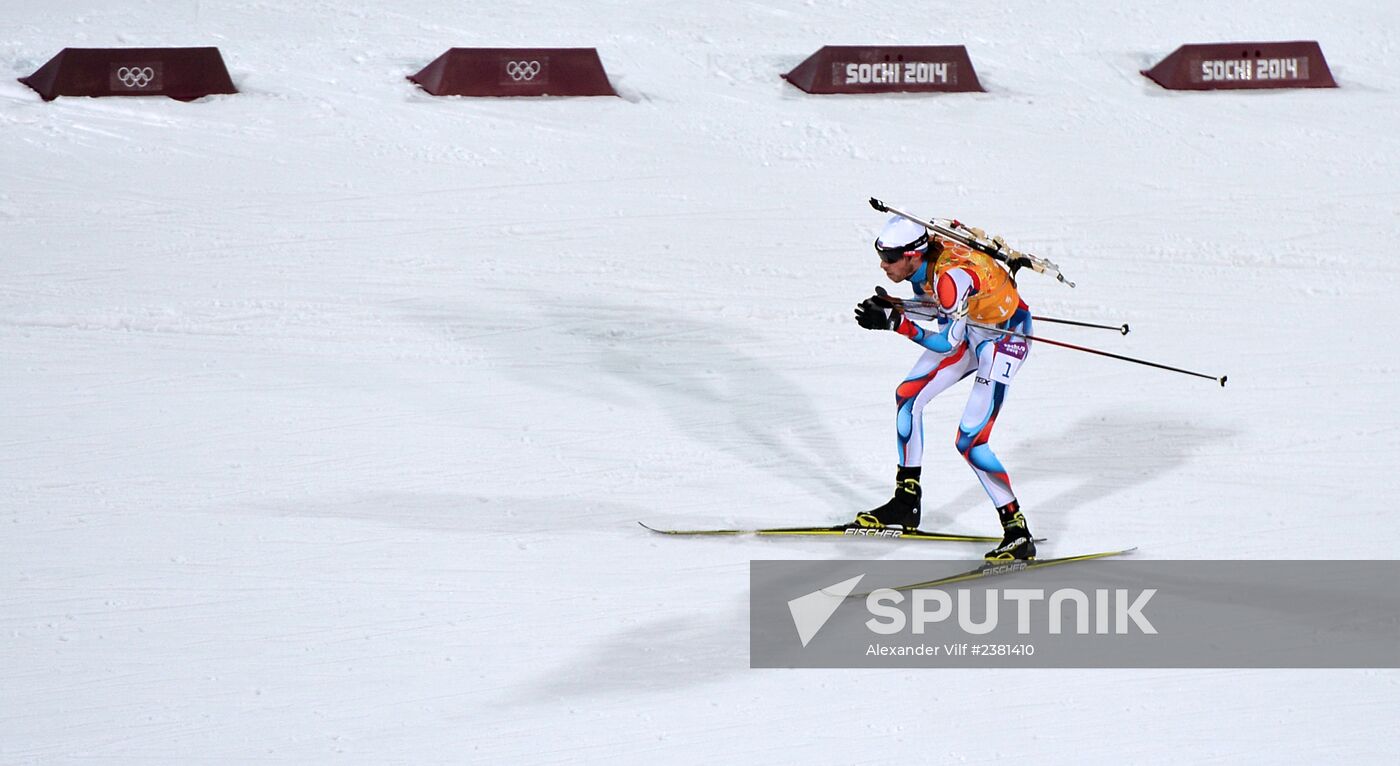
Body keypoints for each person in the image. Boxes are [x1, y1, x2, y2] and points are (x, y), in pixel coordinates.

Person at [852, 215, 1036, 561]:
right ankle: (906, 503)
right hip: (975, 328)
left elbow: (945, 342)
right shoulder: (923, 266)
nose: (882, 264)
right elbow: (937, 310)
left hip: (1005, 338)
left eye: (889, 257)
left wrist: (897, 323)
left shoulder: (950, 278)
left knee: (970, 441)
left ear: (912, 256)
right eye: (880, 254)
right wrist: (896, 306)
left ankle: (1017, 532)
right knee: (907, 398)